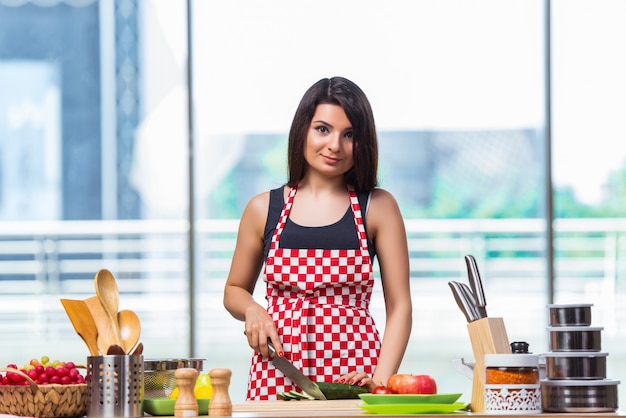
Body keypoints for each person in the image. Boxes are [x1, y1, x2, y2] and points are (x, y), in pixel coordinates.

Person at [223, 76, 412, 401]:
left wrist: (379, 384)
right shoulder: (262, 209)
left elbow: (400, 307)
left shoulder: (378, 208)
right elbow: (234, 290)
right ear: (302, 131)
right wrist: (253, 309)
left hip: (355, 376)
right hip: (277, 374)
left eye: (349, 134)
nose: (335, 145)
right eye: (322, 129)